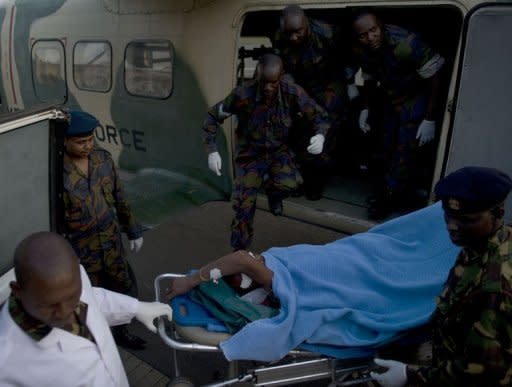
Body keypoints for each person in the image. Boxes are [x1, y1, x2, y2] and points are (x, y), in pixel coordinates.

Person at [370, 166, 512, 386]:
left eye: (466, 219)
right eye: (448, 216)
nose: (452, 226)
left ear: (498, 215)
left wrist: (410, 375)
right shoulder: (481, 244)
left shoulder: (496, 286)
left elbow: (484, 370)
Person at [0, 231, 172, 387]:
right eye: (49, 305)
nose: (65, 312)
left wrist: (135, 307)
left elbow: (92, 299)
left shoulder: (74, 276)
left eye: (72, 296)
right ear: (17, 290)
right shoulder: (6, 365)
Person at [202, 53, 330, 251]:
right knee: (243, 207)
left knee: (291, 184)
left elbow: (320, 116)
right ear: (256, 76)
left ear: (281, 77)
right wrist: (212, 151)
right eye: (264, 82)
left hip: (278, 151)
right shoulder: (242, 95)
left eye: (273, 83)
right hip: (249, 156)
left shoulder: (292, 93)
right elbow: (212, 117)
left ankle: (273, 193)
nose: (268, 88)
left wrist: (320, 135)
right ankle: (240, 253)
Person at [62, 110, 146, 349]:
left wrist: (133, 230)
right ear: (66, 140)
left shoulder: (103, 160)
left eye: (90, 140)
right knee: (87, 300)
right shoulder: (57, 170)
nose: (87, 146)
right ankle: (92, 343)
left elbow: (120, 197)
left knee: (122, 289)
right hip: (81, 252)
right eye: (80, 142)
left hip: (111, 245)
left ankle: (122, 333)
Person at [351, 9, 446, 218]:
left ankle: (389, 198)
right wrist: (365, 107)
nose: (370, 37)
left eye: (373, 30)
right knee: (386, 143)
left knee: (405, 148)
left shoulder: (406, 44)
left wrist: (430, 118)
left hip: (417, 95)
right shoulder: (363, 49)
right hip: (392, 95)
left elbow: (436, 78)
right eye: (363, 35)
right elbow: (367, 77)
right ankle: (389, 190)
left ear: (381, 26)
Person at [274, 5, 357, 200]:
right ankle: (300, 177)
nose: (293, 37)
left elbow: (348, 57)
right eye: (289, 33)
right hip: (302, 84)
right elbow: (281, 63)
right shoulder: (280, 36)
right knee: (301, 129)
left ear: (306, 24)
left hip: (329, 83)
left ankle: (317, 180)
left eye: (298, 32)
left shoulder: (327, 33)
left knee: (326, 131)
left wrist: (350, 83)